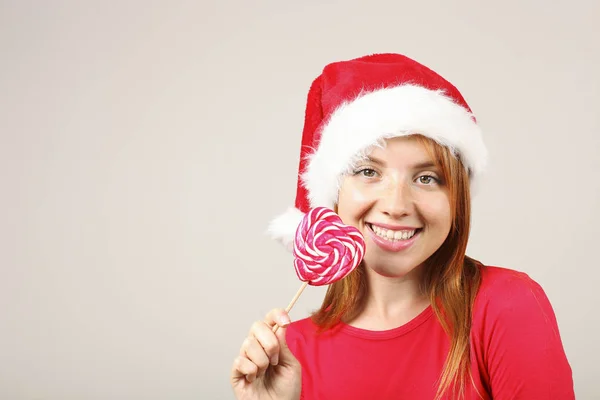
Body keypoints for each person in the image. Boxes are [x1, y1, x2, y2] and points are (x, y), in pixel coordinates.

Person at [230, 53, 574, 399]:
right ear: (332, 195)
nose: (396, 206)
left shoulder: (507, 306)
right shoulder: (288, 355)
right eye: (368, 172)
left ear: (456, 198)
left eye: (427, 178)